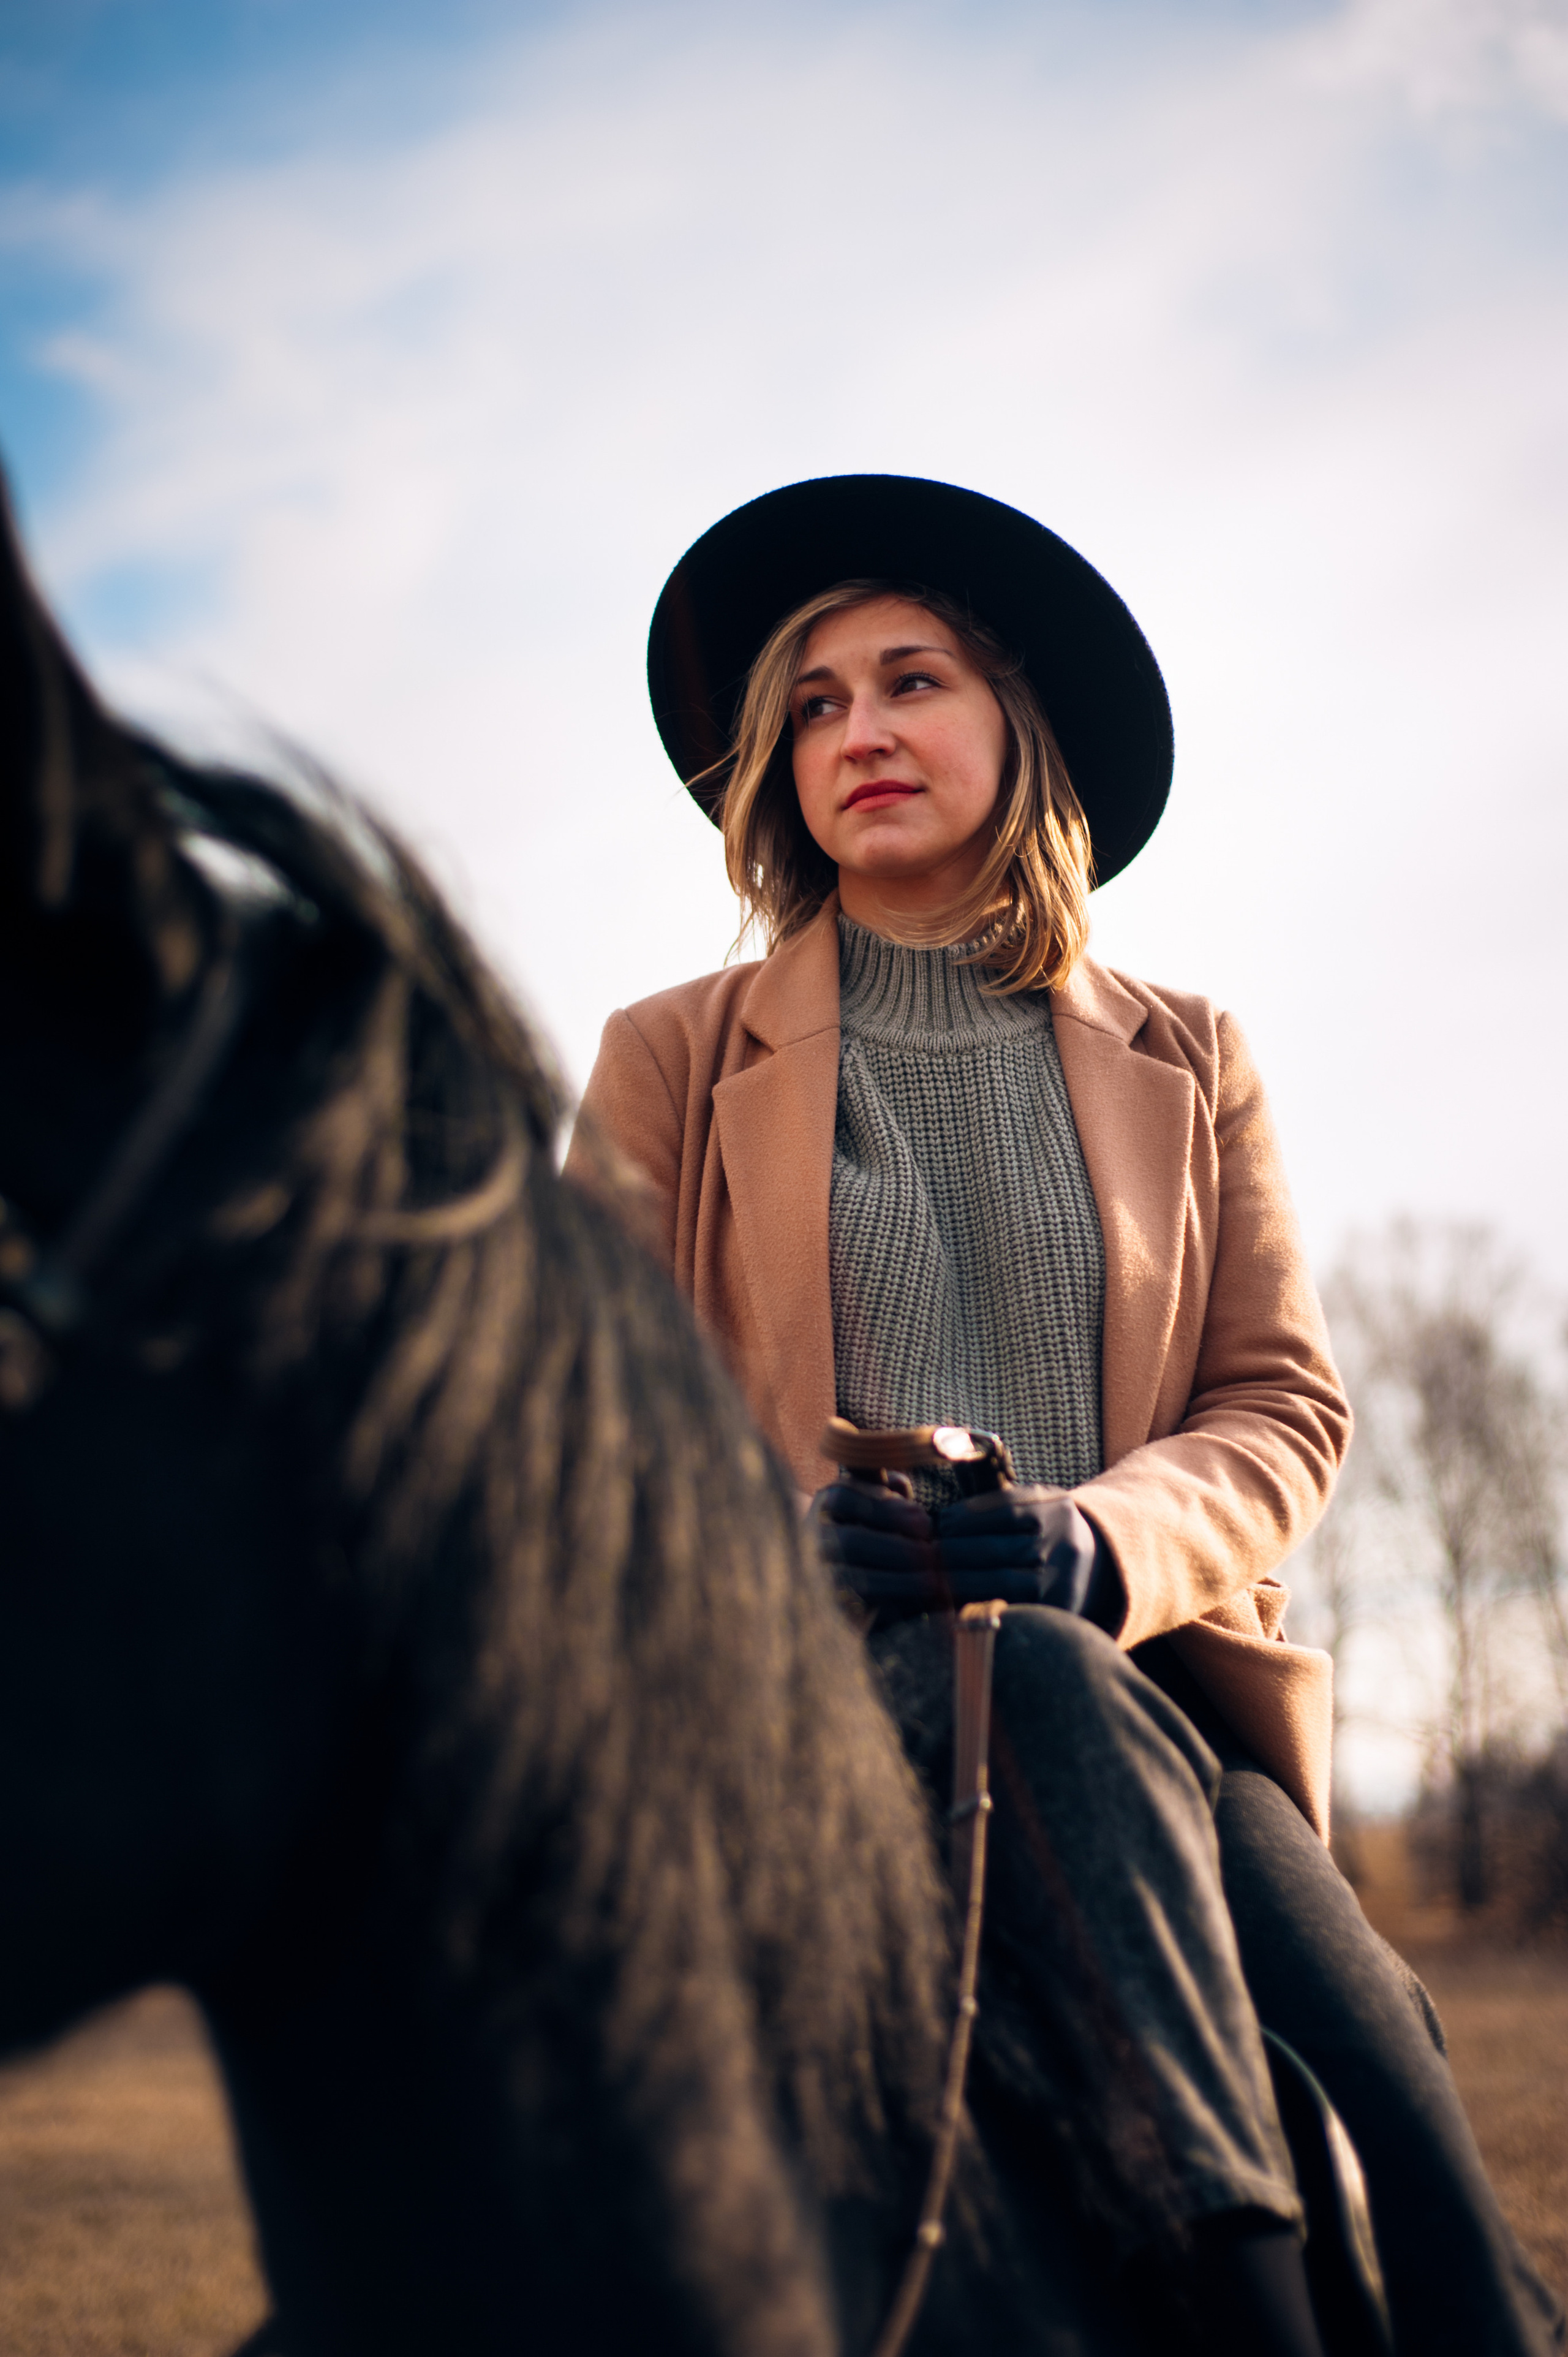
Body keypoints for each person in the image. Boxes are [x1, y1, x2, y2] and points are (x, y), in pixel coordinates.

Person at [568, 474, 1563, 2356]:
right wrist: (772, 1547)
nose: (857, 730)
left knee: (1389, 2074)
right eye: (810, 703)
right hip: (791, 1702)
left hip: (1162, 1710)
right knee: (1007, 1672)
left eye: (911, 678)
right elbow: (585, 1433)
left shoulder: (1192, 1052)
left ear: (1019, 724)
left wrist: (1099, 1544)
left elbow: (1283, 1405)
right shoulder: (669, 1060)